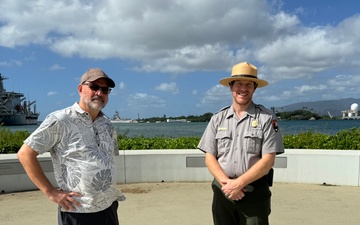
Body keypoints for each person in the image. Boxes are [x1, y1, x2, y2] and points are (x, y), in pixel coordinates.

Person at [17, 68, 125, 225]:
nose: (99, 93)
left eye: (105, 90)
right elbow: (25, 154)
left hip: (108, 206)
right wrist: (50, 192)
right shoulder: (60, 119)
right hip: (78, 211)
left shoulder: (107, 124)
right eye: (94, 87)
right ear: (81, 89)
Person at [197, 62, 284, 225]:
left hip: (254, 191)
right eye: (239, 84)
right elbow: (210, 157)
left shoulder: (266, 118)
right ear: (231, 87)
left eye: (249, 84)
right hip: (223, 191)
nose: (243, 89)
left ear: (254, 88)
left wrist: (239, 184)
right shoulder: (217, 118)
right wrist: (228, 185)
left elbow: (268, 160)